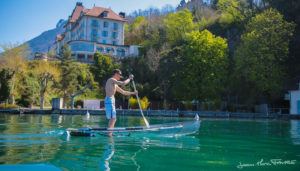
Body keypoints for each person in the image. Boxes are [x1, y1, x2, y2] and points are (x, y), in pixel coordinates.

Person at [105, 69, 138, 136]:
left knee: (113, 118)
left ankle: (110, 133)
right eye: (119, 74)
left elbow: (124, 92)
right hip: (109, 100)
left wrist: (133, 93)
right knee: (113, 118)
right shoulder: (111, 80)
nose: (120, 76)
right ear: (115, 74)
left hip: (111, 101)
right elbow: (123, 83)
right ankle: (109, 133)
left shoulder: (115, 84)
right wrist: (129, 78)